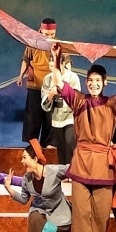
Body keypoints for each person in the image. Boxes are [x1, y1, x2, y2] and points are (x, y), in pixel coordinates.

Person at [50, 43, 116, 232]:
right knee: (81, 212)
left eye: (98, 80)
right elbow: (59, 83)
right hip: (82, 161)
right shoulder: (79, 101)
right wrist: (57, 59)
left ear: (105, 82)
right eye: (90, 80)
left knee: (101, 213)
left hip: (102, 164)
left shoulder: (112, 104)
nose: (94, 84)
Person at [4, 140, 71, 232]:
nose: (22, 161)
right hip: (42, 211)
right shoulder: (27, 178)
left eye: (24, 158)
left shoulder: (54, 171)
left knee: (51, 231)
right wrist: (9, 189)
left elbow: (72, 169)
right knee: (35, 217)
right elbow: (24, 199)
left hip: (59, 213)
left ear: (35, 159)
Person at [17, 18, 71, 147]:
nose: (49, 37)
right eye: (47, 34)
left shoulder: (59, 45)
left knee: (50, 117)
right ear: (41, 30)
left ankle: (49, 145)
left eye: (52, 34)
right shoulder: (32, 43)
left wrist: (67, 78)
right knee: (33, 116)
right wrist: (20, 76)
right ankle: (32, 145)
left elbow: (67, 63)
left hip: (52, 86)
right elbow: (26, 60)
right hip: (35, 85)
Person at [41, 53, 80, 164]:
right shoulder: (47, 79)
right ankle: (64, 172)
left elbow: (77, 100)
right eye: (51, 66)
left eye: (56, 66)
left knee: (69, 144)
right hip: (56, 119)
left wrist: (62, 92)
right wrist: (51, 95)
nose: (53, 69)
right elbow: (44, 103)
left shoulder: (72, 77)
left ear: (63, 64)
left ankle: (72, 171)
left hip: (70, 118)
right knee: (61, 150)